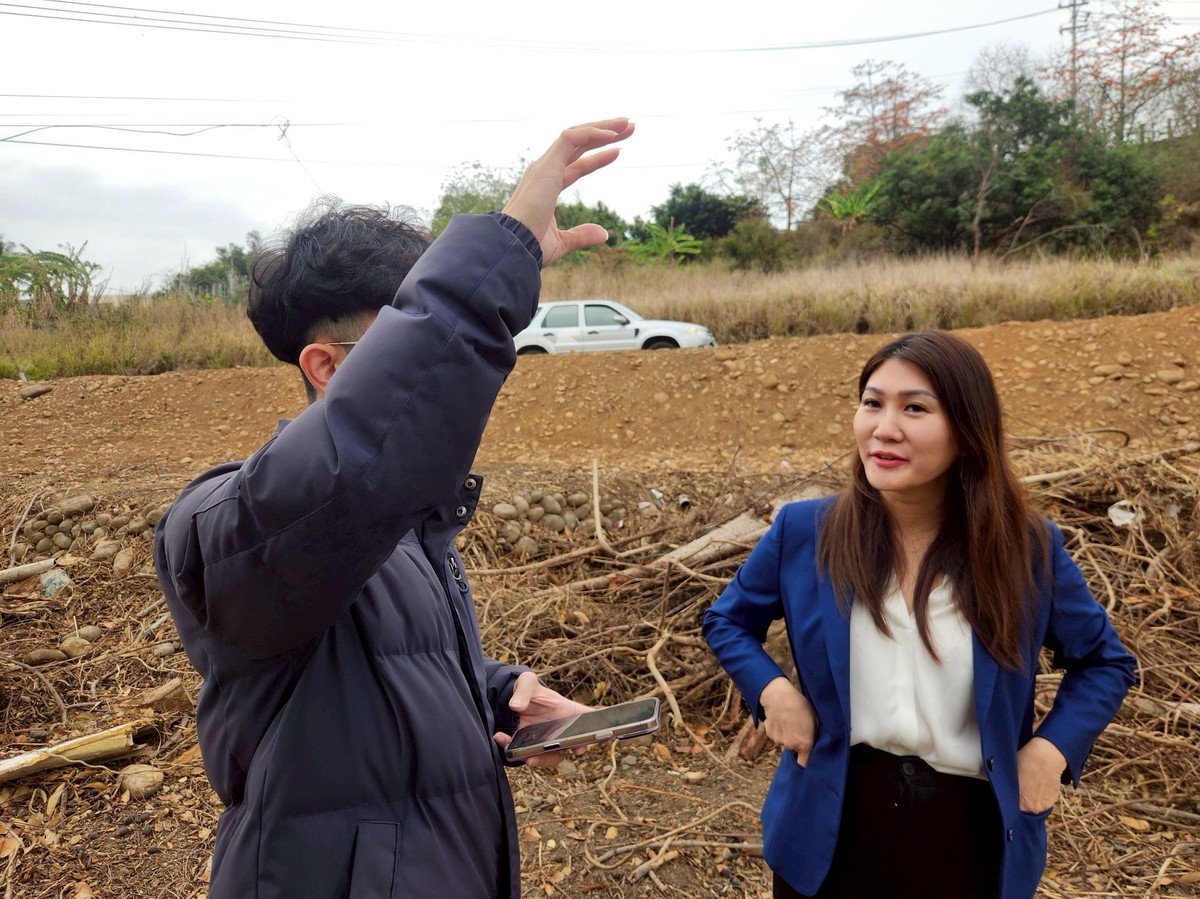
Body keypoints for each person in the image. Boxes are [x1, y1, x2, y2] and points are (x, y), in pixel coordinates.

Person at [153, 118, 635, 899]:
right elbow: (356, 467)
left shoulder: (404, 527)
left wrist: (495, 692)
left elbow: (369, 673)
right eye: (404, 336)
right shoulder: (226, 529)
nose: (437, 371)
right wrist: (491, 264)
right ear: (326, 366)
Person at [703, 330, 1137, 899]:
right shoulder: (805, 531)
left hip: (970, 835)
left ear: (967, 429)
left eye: (915, 408)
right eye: (872, 403)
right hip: (829, 825)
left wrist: (1052, 751)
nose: (885, 428)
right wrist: (773, 692)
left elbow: (1105, 663)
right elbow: (727, 621)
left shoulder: (1026, 549)